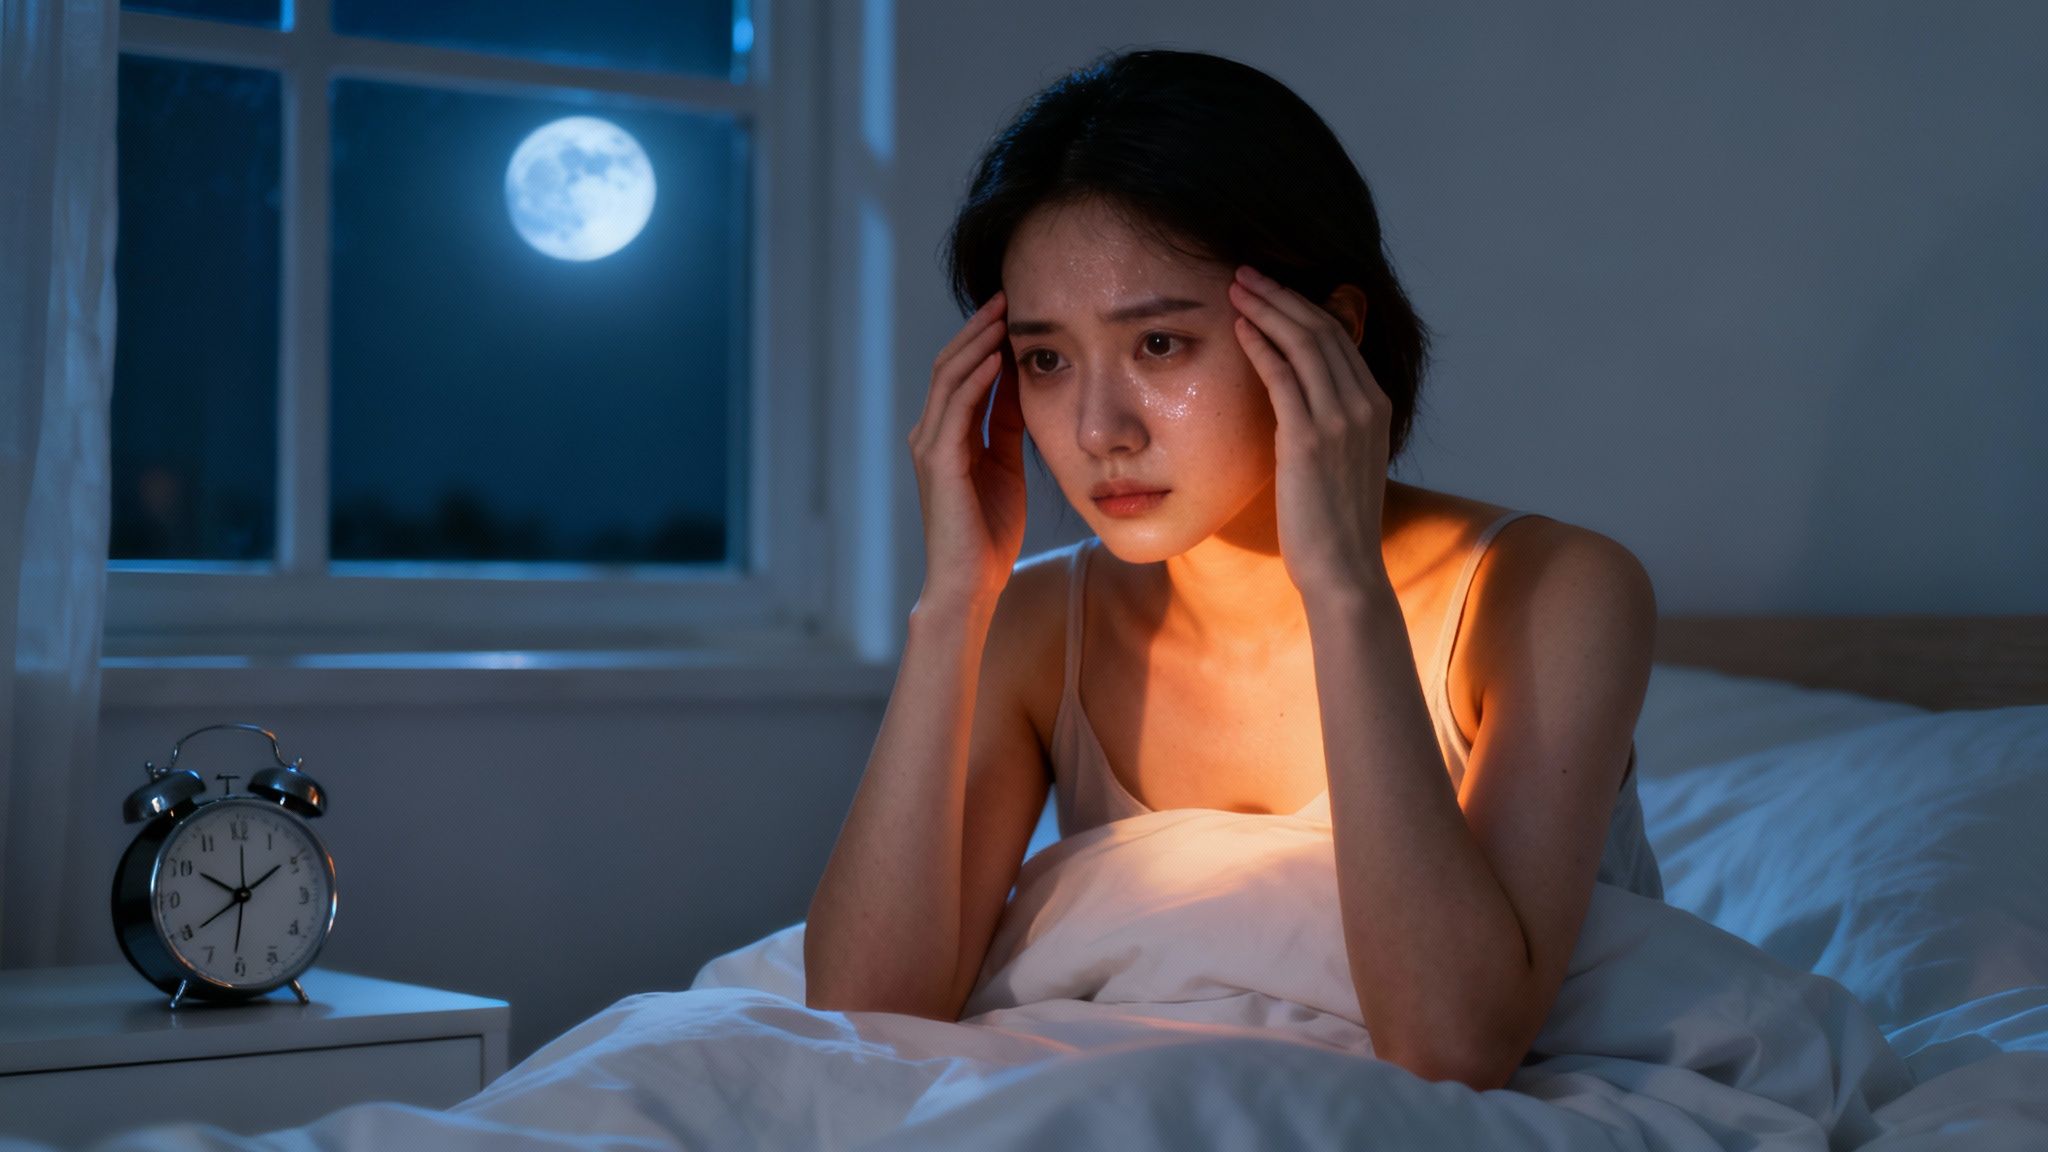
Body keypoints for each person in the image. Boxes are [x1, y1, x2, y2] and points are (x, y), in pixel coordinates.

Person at [803, 48, 1662, 1092]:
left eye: (1159, 344)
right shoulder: (1035, 623)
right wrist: (951, 601)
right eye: (1044, 360)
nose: (1095, 429)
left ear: (1331, 333)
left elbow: (1448, 1046)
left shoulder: (1555, 593)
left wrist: (1340, 583)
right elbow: (861, 1015)